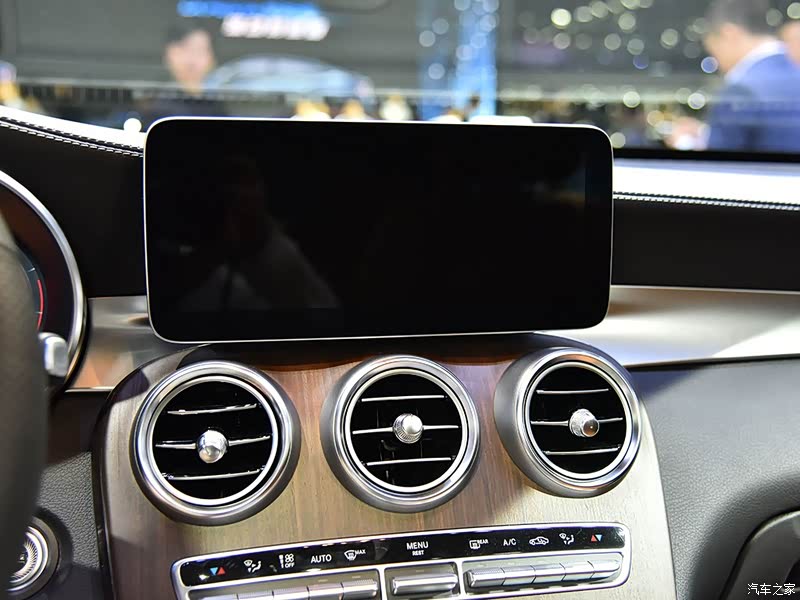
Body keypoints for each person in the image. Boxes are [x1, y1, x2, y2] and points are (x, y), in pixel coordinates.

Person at [671, 0, 800, 152]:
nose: (716, 61)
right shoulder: (793, 72)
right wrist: (706, 132)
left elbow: (719, 161)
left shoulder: (740, 90)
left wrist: (685, 143)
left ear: (729, 34)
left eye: (713, 48)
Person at [137, 23, 225, 127]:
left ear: (213, 60)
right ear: (168, 55)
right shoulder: (153, 106)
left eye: (200, 50)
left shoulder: (221, 105)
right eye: (184, 49)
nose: (192, 61)